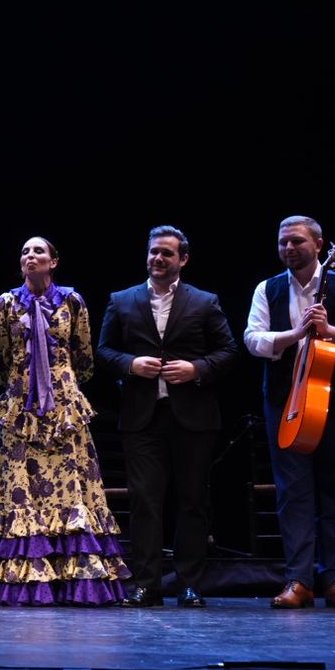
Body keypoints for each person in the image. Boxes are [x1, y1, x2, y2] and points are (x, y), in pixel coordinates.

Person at [0, 237, 128, 605]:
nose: (30, 256)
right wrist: (24, 385)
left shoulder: (72, 302)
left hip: (64, 410)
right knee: (21, 487)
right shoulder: (6, 305)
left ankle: (76, 580)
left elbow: (84, 357)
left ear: (54, 262)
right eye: (25, 251)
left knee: (72, 487)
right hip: (21, 409)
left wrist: (59, 385)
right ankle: (26, 582)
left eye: (38, 251)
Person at [96, 226, 237, 608]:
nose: (158, 259)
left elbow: (228, 350)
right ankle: (147, 583)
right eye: (153, 252)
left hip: (193, 416)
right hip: (142, 418)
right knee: (145, 500)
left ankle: (189, 583)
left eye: (167, 254)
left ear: (183, 259)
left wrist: (197, 369)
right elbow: (103, 351)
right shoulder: (122, 300)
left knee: (192, 500)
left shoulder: (205, 302)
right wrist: (130, 364)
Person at [244, 215, 335, 610]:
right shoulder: (267, 289)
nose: (288, 248)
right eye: (283, 242)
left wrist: (331, 331)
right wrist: (295, 335)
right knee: (292, 493)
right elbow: (253, 339)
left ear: (320, 245)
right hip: (286, 402)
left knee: (333, 492)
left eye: (297, 242)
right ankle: (299, 581)